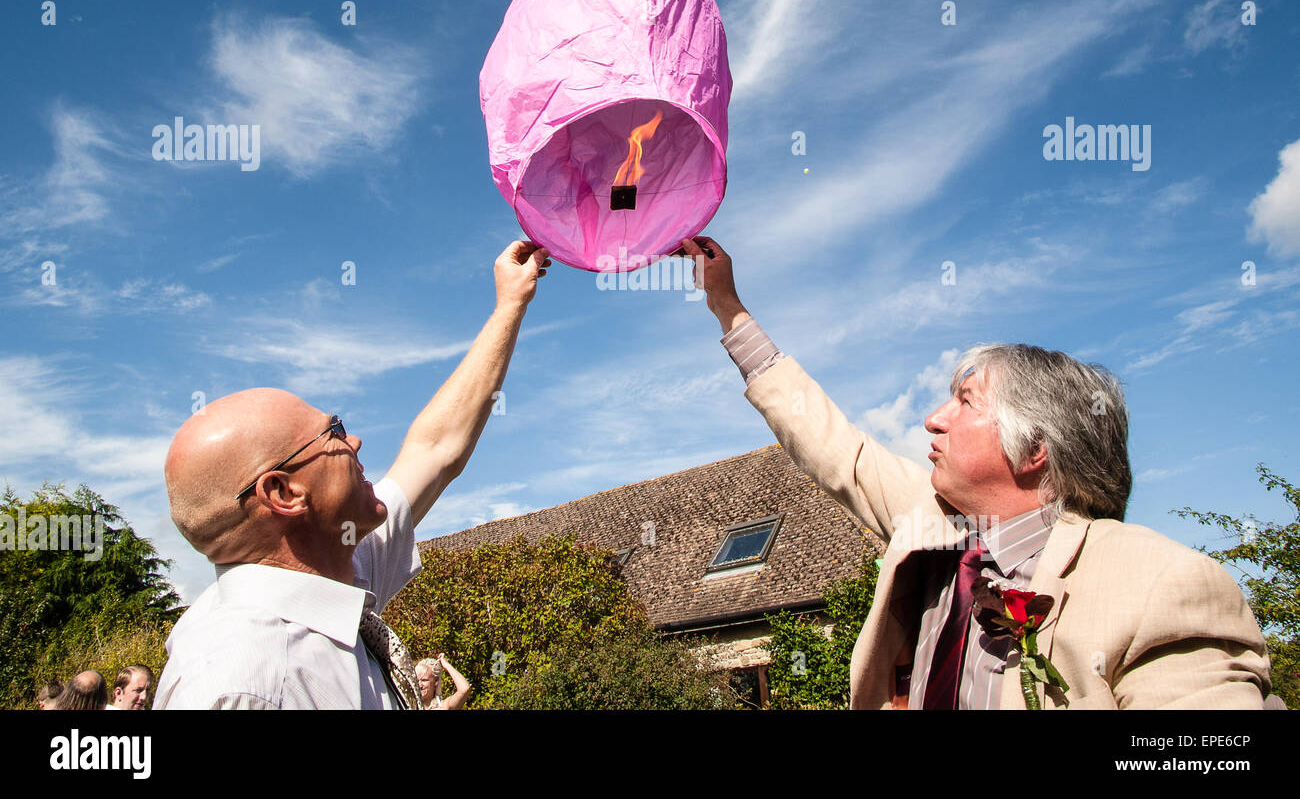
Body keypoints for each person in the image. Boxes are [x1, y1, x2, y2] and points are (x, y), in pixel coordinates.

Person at [680, 236, 1271, 709]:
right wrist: (727, 307)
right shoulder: (934, 525)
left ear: (1034, 447)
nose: (934, 419)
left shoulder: (1162, 585)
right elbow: (830, 443)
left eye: (964, 401)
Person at [154, 241, 550, 709]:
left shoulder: (335, 573)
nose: (355, 441)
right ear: (283, 493)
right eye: (334, 432)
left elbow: (436, 447)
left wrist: (510, 304)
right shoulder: (243, 685)